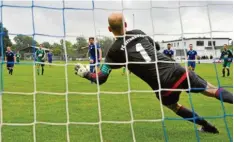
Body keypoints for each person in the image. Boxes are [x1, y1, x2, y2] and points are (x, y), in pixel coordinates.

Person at [74, 12, 232, 133]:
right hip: (177, 71)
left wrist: (86, 73)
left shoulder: (113, 52)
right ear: (126, 24)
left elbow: (101, 78)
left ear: (109, 29)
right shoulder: (138, 32)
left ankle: (206, 126)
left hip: (163, 86)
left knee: (175, 106)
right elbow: (155, 47)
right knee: (211, 89)